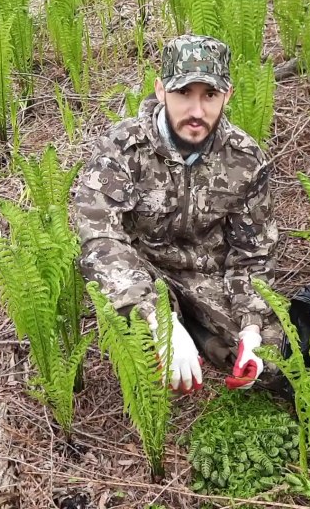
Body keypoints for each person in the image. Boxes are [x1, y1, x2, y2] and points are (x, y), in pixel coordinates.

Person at [74, 34, 282, 394]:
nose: (197, 111)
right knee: (141, 346)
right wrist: (159, 321)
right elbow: (99, 240)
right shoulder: (122, 148)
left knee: (270, 362)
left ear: (227, 95)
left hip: (205, 274)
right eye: (184, 93)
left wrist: (251, 326)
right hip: (141, 269)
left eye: (210, 95)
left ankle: (200, 328)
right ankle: (178, 326)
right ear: (161, 90)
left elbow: (252, 253)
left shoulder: (245, 159)